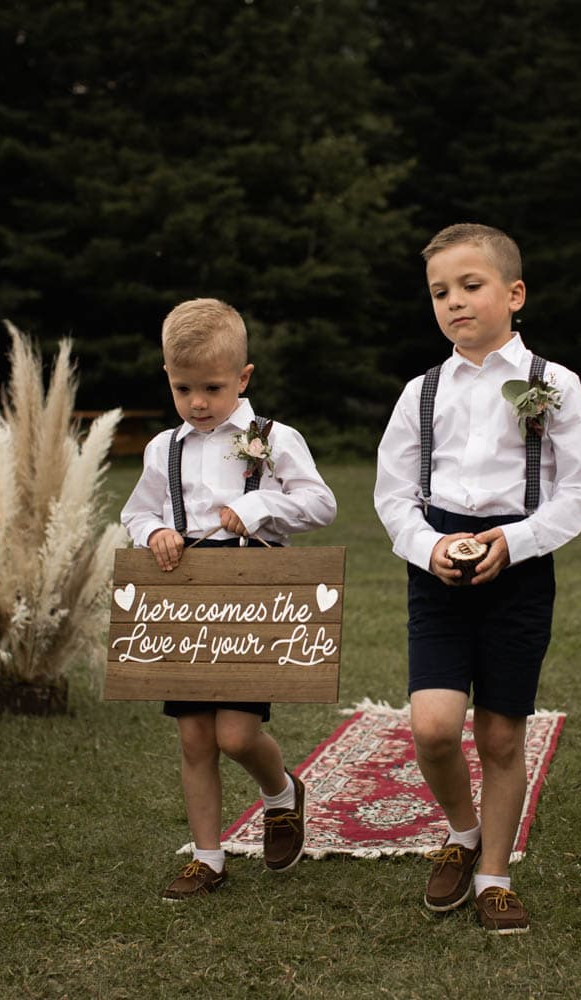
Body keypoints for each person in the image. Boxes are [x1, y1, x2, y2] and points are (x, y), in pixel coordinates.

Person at [373, 223, 581, 934]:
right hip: (438, 569)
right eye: (441, 292)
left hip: (520, 570)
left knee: (502, 735)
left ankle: (495, 876)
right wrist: (426, 547)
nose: (455, 302)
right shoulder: (420, 391)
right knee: (435, 727)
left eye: (470, 286)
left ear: (514, 293)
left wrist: (520, 539)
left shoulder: (553, 385)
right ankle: (463, 831)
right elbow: (390, 494)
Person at [119, 297, 337, 901]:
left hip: (250, 592)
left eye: (212, 387)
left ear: (242, 379)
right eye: (183, 387)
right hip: (186, 594)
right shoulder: (162, 448)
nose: (197, 402)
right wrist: (153, 532)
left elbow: (321, 504)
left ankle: (280, 792)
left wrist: (259, 505)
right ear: (168, 377)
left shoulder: (274, 438)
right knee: (194, 736)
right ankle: (208, 857)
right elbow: (136, 511)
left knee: (236, 736)